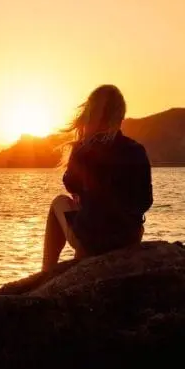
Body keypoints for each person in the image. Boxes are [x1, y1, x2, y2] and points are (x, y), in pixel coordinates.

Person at [42, 84, 153, 271]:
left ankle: (46, 271)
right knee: (90, 211)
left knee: (58, 203)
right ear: (120, 117)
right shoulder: (136, 150)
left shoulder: (85, 150)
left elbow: (70, 183)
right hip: (129, 238)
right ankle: (80, 263)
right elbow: (146, 201)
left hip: (94, 241)